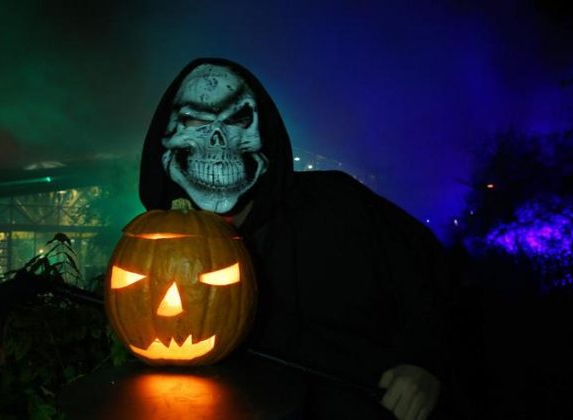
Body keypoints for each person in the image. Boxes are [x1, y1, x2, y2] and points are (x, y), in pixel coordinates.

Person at [139, 58, 449, 419]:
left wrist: (426, 364)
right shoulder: (162, 247)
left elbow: (439, 281)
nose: (217, 140)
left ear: (265, 132)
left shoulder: (339, 205)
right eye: (194, 122)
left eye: (238, 120)